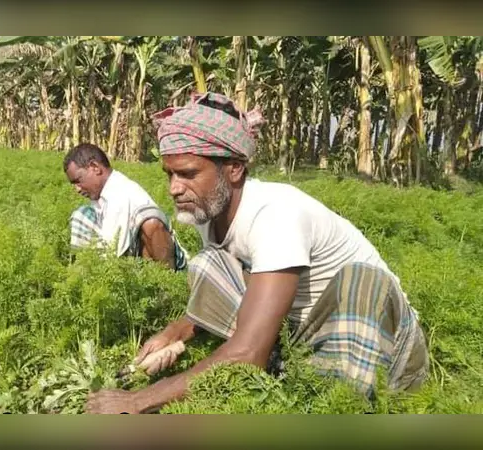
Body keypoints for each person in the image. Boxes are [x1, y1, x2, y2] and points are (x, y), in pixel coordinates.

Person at [85, 92, 430, 414]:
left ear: (234, 168)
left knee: (364, 281)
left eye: (188, 173)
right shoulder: (211, 211)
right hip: (303, 333)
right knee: (210, 264)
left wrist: (137, 401)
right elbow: (242, 287)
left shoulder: (276, 214)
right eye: (170, 174)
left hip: (380, 345)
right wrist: (175, 332)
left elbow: (248, 353)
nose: (174, 188)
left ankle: (339, 404)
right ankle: (285, 369)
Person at [64, 142, 188, 271]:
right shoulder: (103, 193)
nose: (77, 189)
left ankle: (166, 283)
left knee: (151, 222)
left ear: (95, 167)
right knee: (81, 214)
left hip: (145, 265)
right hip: (127, 262)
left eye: (78, 180)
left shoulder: (122, 193)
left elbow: (115, 251)